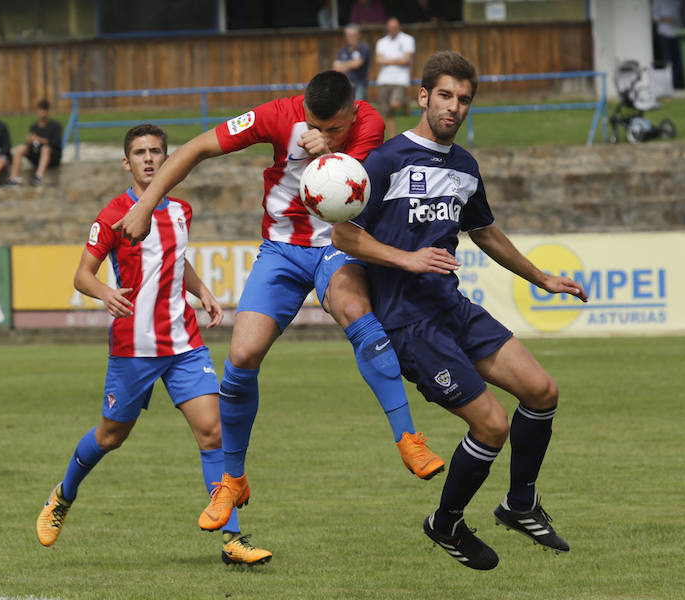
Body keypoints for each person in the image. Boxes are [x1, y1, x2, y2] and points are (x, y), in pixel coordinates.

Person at [115, 71, 445, 538]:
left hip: (339, 244)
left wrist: (329, 150)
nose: (322, 133)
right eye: (316, 125)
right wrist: (146, 203)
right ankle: (232, 479)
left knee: (356, 312)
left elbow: (345, 181)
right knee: (241, 355)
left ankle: (408, 437)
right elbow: (194, 149)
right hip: (282, 249)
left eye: (335, 127)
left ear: (352, 112)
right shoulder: (277, 115)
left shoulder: (370, 122)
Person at [332, 51, 588, 570]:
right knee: (491, 426)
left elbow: (484, 230)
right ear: (423, 96)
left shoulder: (464, 166)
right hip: (409, 322)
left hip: (451, 306)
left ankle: (519, 504)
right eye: (444, 96)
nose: (454, 107)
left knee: (542, 392)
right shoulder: (384, 162)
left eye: (464, 99)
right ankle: (445, 522)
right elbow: (343, 234)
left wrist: (539, 276)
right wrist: (406, 258)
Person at [35, 124, 272, 566]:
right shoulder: (111, 214)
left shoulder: (181, 210)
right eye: (140, 153)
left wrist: (202, 291)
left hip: (184, 344)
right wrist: (105, 292)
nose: (149, 159)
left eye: (156, 152)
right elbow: (82, 275)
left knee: (213, 432)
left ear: (167, 160)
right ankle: (63, 496)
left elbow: (175, 260)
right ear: (126, 162)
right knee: (111, 435)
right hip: (134, 348)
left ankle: (233, 540)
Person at [7, 99, 63, 187]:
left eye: (45, 110)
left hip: (52, 157)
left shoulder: (55, 126)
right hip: (36, 154)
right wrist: (30, 141)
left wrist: (40, 140)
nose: (43, 112)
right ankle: (14, 178)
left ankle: (38, 177)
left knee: (45, 148)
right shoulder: (34, 126)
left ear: (48, 111)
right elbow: (31, 145)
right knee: (20, 148)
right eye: (41, 110)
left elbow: (56, 143)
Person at [375, 17, 415, 139]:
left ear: (399, 27)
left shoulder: (407, 39)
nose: (392, 29)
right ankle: (392, 137)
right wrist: (398, 60)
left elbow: (407, 59)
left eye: (394, 27)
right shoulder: (381, 42)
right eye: (390, 27)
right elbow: (378, 60)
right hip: (384, 79)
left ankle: (405, 102)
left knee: (394, 104)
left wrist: (387, 60)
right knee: (387, 113)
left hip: (400, 79)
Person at [333, 24, 372, 101]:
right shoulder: (343, 49)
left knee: (358, 105)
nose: (350, 37)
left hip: (360, 83)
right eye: (348, 35)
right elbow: (336, 68)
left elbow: (358, 64)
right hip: (346, 83)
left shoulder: (364, 47)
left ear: (359, 35)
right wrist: (351, 63)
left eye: (353, 35)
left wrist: (343, 65)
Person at [652, 0, 685, 89]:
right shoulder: (658, 1)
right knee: (667, 60)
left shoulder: (678, 1)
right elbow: (655, 17)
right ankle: (668, 85)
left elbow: (682, 14)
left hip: (678, 32)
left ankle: (678, 83)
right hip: (664, 34)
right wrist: (666, 19)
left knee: (679, 60)